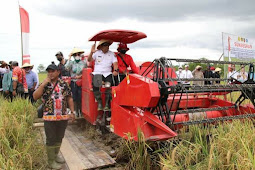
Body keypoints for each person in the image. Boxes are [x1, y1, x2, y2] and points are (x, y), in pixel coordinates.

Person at [33, 63, 75, 169]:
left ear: (58, 72)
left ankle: (56, 156)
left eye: (53, 71)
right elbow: (35, 96)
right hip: (49, 117)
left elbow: (69, 97)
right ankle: (50, 161)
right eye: (49, 71)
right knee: (50, 139)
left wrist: (72, 112)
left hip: (62, 116)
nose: (50, 73)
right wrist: (43, 84)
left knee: (59, 137)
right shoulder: (45, 84)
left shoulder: (64, 84)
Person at [88, 39, 118, 111]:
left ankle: (107, 104)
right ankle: (100, 103)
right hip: (98, 73)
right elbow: (89, 60)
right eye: (104, 45)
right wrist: (91, 53)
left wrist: (115, 70)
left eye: (107, 45)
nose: (106, 47)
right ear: (101, 47)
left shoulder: (111, 54)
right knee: (96, 84)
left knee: (109, 85)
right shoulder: (97, 53)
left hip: (107, 73)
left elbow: (115, 64)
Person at [65, 48, 87, 117]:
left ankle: (81, 111)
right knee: (74, 97)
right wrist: (69, 58)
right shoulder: (71, 63)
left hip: (81, 82)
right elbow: (66, 68)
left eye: (78, 54)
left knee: (80, 97)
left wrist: (80, 76)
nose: (77, 55)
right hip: (73, 82)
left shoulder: (83, 63)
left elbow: (86, 71)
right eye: (75, 55)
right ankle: (75, 111)